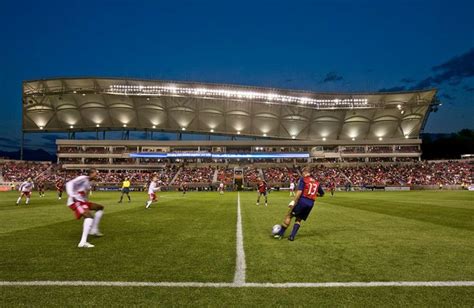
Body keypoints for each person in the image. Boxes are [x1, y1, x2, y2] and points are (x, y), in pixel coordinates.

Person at [274, 166, 324, 241]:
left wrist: (293, 201)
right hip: (310, 204)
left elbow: (299, 192)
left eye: (302, 173)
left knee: (289, 215)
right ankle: (292, 236)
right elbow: (322, 194)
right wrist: (314, 195)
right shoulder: (317, 182)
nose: (302, 174)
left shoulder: (303, 179)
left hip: (302, 201)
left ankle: (280, 234)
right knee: (299, 219)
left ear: (305, 172)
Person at [65, 169, 105, 248]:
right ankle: (83, 242)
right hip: (75, 201)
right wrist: (72, 195)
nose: (97, 175)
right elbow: (69, 183)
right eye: (95, 173)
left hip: (82, 202)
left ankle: (94, 230)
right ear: (91, 174)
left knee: (100, 208)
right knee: (89, 217)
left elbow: (85, 194)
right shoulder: (83, 178)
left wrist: (86, 201)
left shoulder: (88, 183)